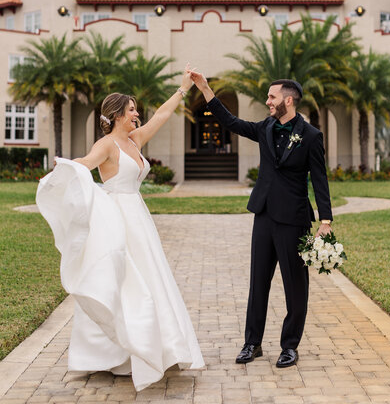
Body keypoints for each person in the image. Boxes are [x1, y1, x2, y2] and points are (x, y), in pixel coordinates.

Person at [36, 64, 204, 392]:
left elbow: (162, 117)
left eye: (136, 110)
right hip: (115, 219)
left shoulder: (135, 139)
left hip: (139, 218)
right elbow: (85, 164)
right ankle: (111, 355)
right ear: (116, 115)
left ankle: (155, 347)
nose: (137, 114)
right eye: (131, 110)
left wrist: (183, 89)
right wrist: (63, 167)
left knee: (150, 279)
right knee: (121, 281)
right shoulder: (107, 145)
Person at [190, 72, 332, 369]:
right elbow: (231, 122)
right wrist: (205, 88)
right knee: (258, 283)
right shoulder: (265, 127)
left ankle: (289, 346)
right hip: (264, 215)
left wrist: (325, 220)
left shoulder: (311, 136)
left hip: (294, 219)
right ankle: (252, 343)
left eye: (272, 97)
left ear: (288, 100)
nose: (268, 101)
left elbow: (320, 179)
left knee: (296, 285)